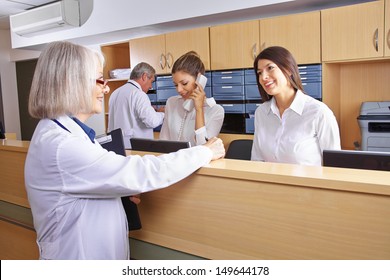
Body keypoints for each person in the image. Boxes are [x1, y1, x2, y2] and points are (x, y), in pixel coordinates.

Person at [24, 41, 225, 260]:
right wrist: (204, 152)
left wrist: (118, 190)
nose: (106, 88)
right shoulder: (62, 146)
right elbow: (142, 172)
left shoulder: (65, 135)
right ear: (71, 83)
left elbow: (86, 187)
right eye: (100, 79)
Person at [251, 46, 340, 166]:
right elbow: (257, 160)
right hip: (269, 184)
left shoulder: (319, 112)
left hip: (307, 184)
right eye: (260, 73)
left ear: (288, 69)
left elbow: (334, 165)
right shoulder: (261, 112)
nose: (263, 77)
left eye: (270, 68)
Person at [159, 51, 224, 146]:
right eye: (176, 85)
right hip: (173, 160)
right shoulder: (171, 103)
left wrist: (199, 109)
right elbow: (163, 141)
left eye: (184, 83)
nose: (179, 90)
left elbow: (204, 149)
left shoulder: (216, 111)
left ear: (199, 79)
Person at [108, 62, 164, 149]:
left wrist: (150, 110)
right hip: (135, 147)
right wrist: (162, 113)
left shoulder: (115, 93)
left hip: (117, 146)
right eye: (151, 81)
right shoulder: (139, 94)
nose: (150, 86)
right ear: (144, 76)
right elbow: (152, 121)